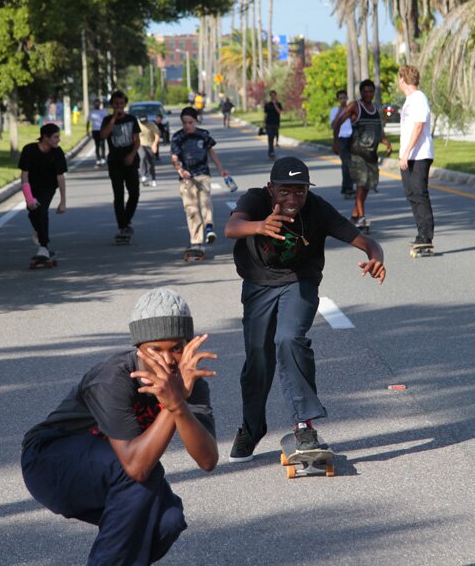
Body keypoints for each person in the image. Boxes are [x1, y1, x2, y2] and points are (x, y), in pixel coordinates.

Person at [21, 287, 218, 566]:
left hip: (110, 470)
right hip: (51, 462)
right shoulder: (114, 378)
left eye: (176, 348)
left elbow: (208, 459)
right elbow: (136, 466)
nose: (167, 359)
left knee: (168, 520)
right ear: (138, 347)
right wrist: (174, 405)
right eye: (155, 349)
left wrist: (181, 404)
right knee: (141, 475)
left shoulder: (188, 385)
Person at [224, 157, 387, 461]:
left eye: (299, 191)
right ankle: (251, 427)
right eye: (285, 191)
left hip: (300, 281)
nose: (293, 199)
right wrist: (259, 226)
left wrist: (376, 255)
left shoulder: (316, 208)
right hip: (258, 285)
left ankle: (304, 425)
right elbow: (232, 227)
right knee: (258, 359)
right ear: (271, 188)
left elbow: (365, 241)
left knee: (289, 339)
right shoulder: (255, 199)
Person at [333, 79, 392, 230]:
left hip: (371, 154)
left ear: (374, 92)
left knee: (367, 186)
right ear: (361, 92)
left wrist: (386, 143)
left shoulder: (376, 108)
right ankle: (361, 217)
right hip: (357, 153)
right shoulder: (355, 106)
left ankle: (354, 215)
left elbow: (379, 130)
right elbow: (338, 123)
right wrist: (336, 142)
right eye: (365, 91)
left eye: (370, 91)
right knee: (361, 184)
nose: (368, 94)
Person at [171, 107, 230, 254]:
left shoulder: (204, 135)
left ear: (196, 121)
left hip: (203, 175)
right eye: (184, 123)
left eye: (190, 122)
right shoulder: (178, 137)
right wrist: (180, 170)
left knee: (205, 202)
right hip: (186, 179)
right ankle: (196, 242)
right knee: (191, 209)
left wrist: (221, 169)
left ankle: (209, 227)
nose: (187, 126)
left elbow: (212, 153)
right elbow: (174, 158)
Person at [397, 65, 436, 249]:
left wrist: (406, 152)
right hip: (409, 156)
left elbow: (419, 126)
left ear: (402, 79)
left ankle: (427, 235)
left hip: (419, 155)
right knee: (411, 194)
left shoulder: (419, 98)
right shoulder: (409, 100)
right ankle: (421, 233)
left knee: (420, 193)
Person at [20, 123, 67, 262]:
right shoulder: (29, 150)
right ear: (45, 137)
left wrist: (63, 202)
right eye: (55, 137)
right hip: (32, 187)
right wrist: (29, 199)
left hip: (48, 187)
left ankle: (44, 247)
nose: (58, 140)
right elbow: (24, 175)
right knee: (32, 212)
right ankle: (41, 234)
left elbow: (60, 177)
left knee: (41, 211)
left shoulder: (57, 152)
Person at [100, 90, 141, 240]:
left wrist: (131, 155)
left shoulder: (131, 119)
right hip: (115, 162)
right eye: (116, 104)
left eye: (121, 104)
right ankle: (122, 226)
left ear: (125, 104)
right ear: (112, 105)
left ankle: (126, 219)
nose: (119, 107)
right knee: (119, 195)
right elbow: (103, 136)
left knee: (134, 193)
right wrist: (113, 120)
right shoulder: (107, 120)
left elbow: (137, 141)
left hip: (130, 161)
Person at [329, 90, 355, 198]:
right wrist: (340, 112)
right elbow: (333, 125)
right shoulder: (335, 110)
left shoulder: (351, 109)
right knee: (345, 163)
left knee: (351, 163)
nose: (343, 100)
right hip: (341, 138)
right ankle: (348, 188)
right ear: (338, 100)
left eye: (344, 97)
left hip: (352, 138)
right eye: (341, 98)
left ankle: (346, 188)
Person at [137, 115, 160, 187]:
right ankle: (143, 175)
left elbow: (157, 135)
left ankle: (153, 178)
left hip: (150, 144)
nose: (144, 123)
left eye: (145, 122)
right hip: (140, 144)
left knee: (150, 163)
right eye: (142, 122)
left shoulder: (151, 125)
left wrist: (155, 145)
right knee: (142, 156)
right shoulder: (137, 125)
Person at [86, 99, 108, 167]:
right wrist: (87, 131)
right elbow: (88, 121)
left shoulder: (103, 111)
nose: (97, 105)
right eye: (96, 103)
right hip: (95, 131)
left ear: (100, 104)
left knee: (102, 144)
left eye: (98, 103)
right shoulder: (92, 112)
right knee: (97, 145)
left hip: (102, 130)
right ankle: (98, 159)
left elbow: (107, 121)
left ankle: (103, 157)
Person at [263, 90, 284, 159]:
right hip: (269, 123)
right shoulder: (267, 104)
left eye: (274, 95)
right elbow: (265, 114)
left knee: (274, 136)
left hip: (276, 123)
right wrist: (264, 123)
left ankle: (273, 148)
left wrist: (275, 104)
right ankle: (271, 152)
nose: (272, 97)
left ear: (276, 96)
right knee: (270, 138)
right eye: (271, 95)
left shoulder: (279, 104)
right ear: (270, 96)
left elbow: (280, 112)